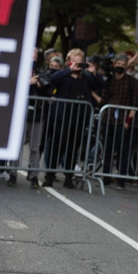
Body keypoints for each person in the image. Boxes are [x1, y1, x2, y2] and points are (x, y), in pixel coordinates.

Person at [43, 48, 101, 188]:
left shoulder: (85, 77)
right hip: (62, 118)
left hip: (79, 118)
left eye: (80, 62)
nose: (77, 65)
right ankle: (50, 175)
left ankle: (68, 177)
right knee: (57, 146)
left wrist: (93, 72)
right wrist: (69, 70)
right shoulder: (63, 75)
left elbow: (98, 85)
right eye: (75, 62)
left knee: (72, 148)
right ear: (69, 62)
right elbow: (52, 78)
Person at [100, 53, 138, 189]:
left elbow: (134, 104)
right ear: (113, 65)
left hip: (123, 119)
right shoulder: (109, 81)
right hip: (108, 118)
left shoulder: (132, 82)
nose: (120, 67)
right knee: (107, 149)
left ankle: (121, 179)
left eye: (122, 65)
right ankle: (105, 177)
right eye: (118, 64)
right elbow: (104, 100)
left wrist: (128, 121)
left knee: (123, 150)